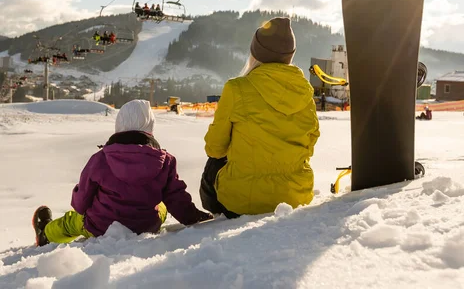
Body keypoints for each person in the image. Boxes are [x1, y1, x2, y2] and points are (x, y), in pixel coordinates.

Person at [32, 100, 212, 247]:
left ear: (119, 126)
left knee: (72, 221)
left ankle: (45, 234)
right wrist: (194, 217)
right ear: (150, 128)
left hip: (100, 226)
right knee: (162, 206)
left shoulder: (100, 159)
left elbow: (80, 204)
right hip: (146, 226)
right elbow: (176, 198)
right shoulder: (166, 161)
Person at [201, 17, 320, 219]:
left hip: (241, 202)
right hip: (295, 197)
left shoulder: (237, 88)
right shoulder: (305, 93)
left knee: (214, 163)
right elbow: (310, 142)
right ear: (289, 56)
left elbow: (215, 148)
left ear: (256, 53)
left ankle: (218, 214)